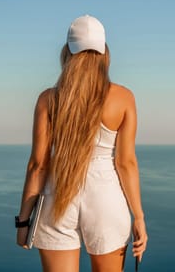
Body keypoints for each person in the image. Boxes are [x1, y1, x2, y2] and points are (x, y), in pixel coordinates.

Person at [16, 15, 148, 272]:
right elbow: (126, 163)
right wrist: (139, 217)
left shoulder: (48, 99)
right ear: (104, 52)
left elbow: (38, 166)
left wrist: (23, 222)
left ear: (67, 52)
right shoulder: (123, 98)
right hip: (106, 197)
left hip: (58, 195)